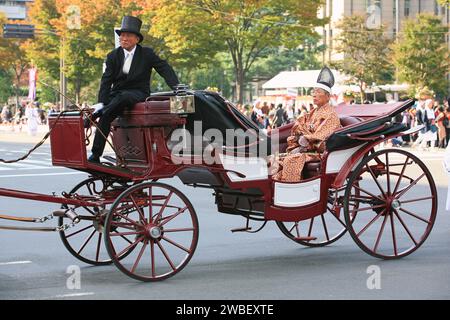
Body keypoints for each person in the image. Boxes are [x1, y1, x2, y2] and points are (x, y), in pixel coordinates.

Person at [86, 16, 180, 163]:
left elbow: (164, 69)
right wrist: (101, 102)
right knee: (107, 114)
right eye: (122, 35)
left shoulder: (147, 54)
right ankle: (95, 155)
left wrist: (177, 87)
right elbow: (106, 80)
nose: (124, 38)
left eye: (128, 35)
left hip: (138, 92)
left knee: (119, 101)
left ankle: (97, 114)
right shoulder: (113, 56)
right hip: (116, 94)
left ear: (137, 39)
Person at [269, 67, 341, 182]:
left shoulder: (331, 115)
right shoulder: (312, 112)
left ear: (328, 96)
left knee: (291, 159)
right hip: (305, 148)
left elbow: (321, 138)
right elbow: (298, 125)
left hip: (318, 152)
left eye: (318, 92)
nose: (314, 95)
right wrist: (300, 137)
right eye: (313, 92)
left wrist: (306, 140)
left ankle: (289, 190)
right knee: (274, 159)